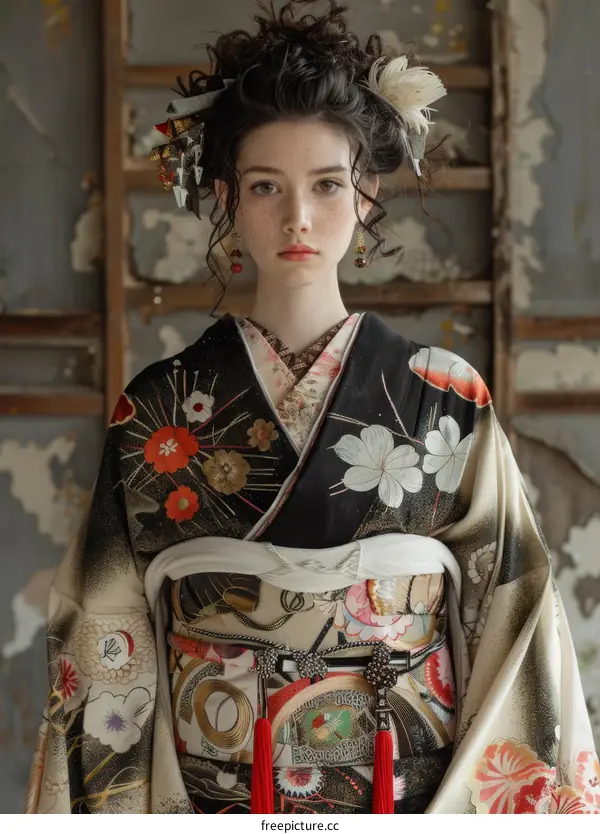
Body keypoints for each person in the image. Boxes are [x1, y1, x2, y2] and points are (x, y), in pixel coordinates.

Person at [28, 0, 598, 815]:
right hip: (210, 801)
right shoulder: (155, 410)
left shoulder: (445, 395)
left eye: (327, 184)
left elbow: (514, 613)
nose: (298, 216)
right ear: (225, 195)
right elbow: (104, 629)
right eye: (266, 186)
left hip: (404, 801)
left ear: (366, 195)